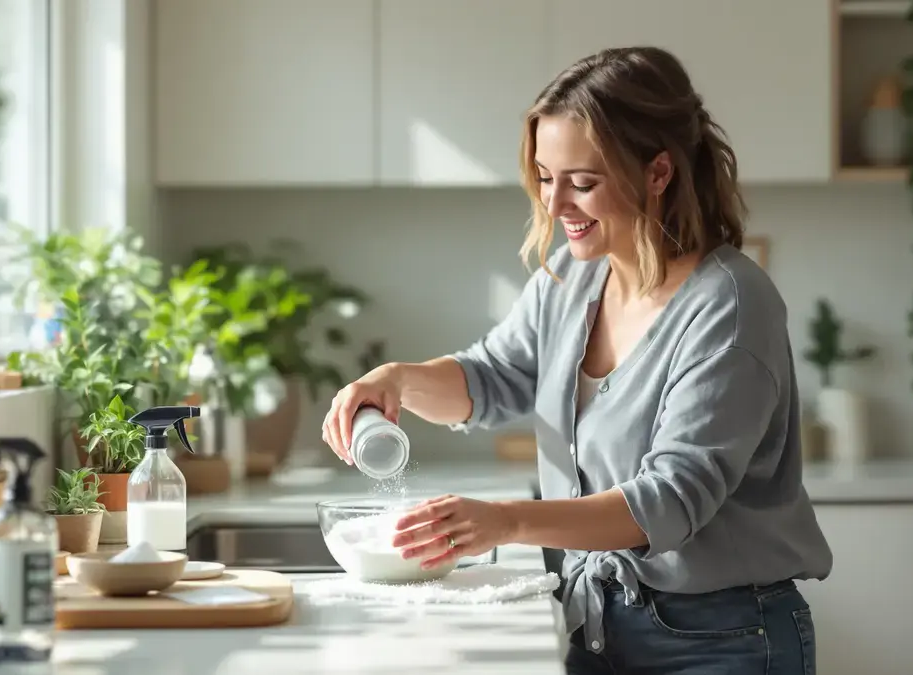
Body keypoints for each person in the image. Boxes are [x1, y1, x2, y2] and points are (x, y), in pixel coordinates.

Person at [321, 46, 832, 674]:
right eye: (544, 176)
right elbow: (492, 378)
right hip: (594, 625)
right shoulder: (571, 277)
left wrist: (506, 522)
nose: (554, 204)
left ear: (658, 172)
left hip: (720, 639)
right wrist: (397, 379)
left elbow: (671, 501)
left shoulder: (729, 303)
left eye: (582, 182)